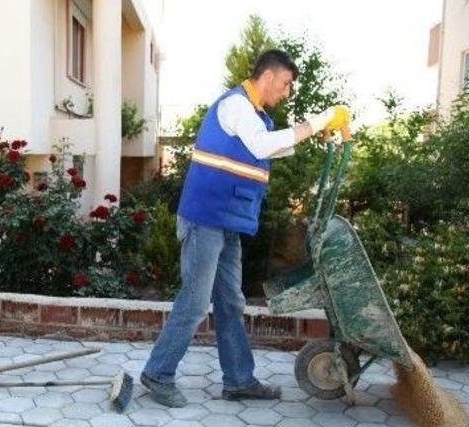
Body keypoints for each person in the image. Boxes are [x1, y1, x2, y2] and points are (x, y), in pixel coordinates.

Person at [140, 49, 350, 407]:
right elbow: (261, 144)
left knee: (231, 302)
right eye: (285, 84)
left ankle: (238, 380)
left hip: (225, 223)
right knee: (194, 301)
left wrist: (311, 134)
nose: (285, 92)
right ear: (267, 77)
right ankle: (158, 374)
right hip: (204, 219)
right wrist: (318, 121)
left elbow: (264, 149)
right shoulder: (235, 105)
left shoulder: (255, 115)